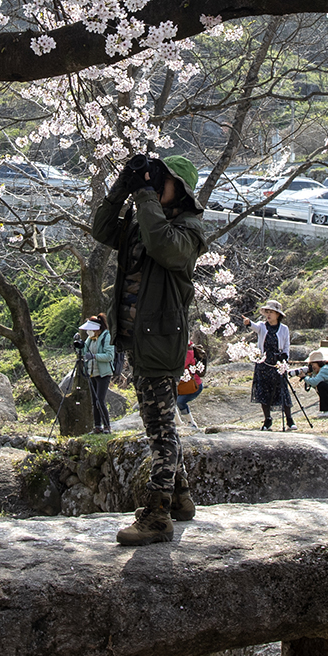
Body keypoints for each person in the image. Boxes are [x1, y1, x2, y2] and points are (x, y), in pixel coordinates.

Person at [91, 150, 208, 546]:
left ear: (183, 192)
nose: (157, 186)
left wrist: (142, 196)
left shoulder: (188, 231)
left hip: (161, 343)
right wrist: (123, 187)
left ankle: (157, 515)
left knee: (160, 430)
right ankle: (181, 499)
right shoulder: (143, 219)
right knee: (159, 422)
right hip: (140, 340)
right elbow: (101, 229)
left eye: (165, 181)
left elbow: (161, 244)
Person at [241, 302, 294, 432]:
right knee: (263, 390)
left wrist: (285, 357)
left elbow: (286, 345)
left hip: (278, 362)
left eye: (271, 312)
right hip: (263, 362)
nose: (268, 315)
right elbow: (254, 326)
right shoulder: (262, 326)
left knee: (282, 390)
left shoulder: (284, 329)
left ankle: (289, 419)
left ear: (277, 314)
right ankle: (267, 419)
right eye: (267, 312)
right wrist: (248, 323)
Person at [80, 318, 116, 434]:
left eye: (90, 329)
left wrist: (94, 357)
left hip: (104, 373)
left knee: (100, 400)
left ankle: (107, 426)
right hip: (93, 373)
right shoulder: (90, 339)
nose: (88, 332)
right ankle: (97, 426)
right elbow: (83, 352)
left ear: (97, 329)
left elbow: (109, 356)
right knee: (94, 400)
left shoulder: (106, 337)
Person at [176, 339, 207, 428]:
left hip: (194, 385)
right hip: (183, 385)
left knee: (180, 402)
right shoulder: (183, 349)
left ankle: (192, 423)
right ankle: (178, 423)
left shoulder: (188, 351)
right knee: (173, 401)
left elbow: (179, 366)